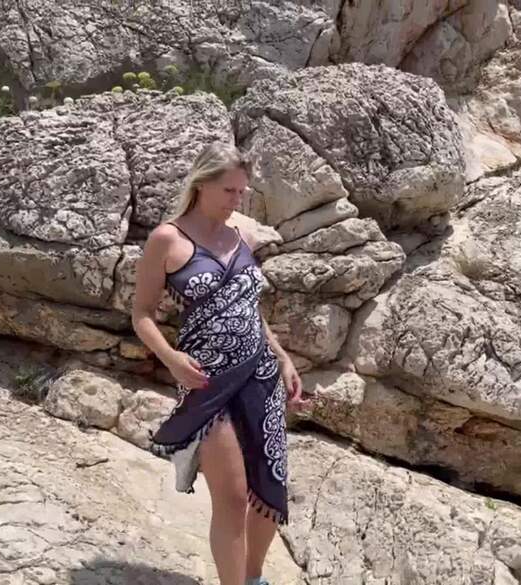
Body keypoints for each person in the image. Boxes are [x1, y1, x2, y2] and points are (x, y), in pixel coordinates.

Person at [131, 141, 307, 585]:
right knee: (231, 498)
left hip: (261, 374)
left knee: (269, 484)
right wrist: (171, 359)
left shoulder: (241, 235)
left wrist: (283, 358)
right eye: (229, 190)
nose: (237, 200)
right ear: (202, 184)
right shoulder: (167, 239)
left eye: (241, 191)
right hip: (207, 381)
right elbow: (142, 315)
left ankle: (252, 578)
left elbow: (249, 307)